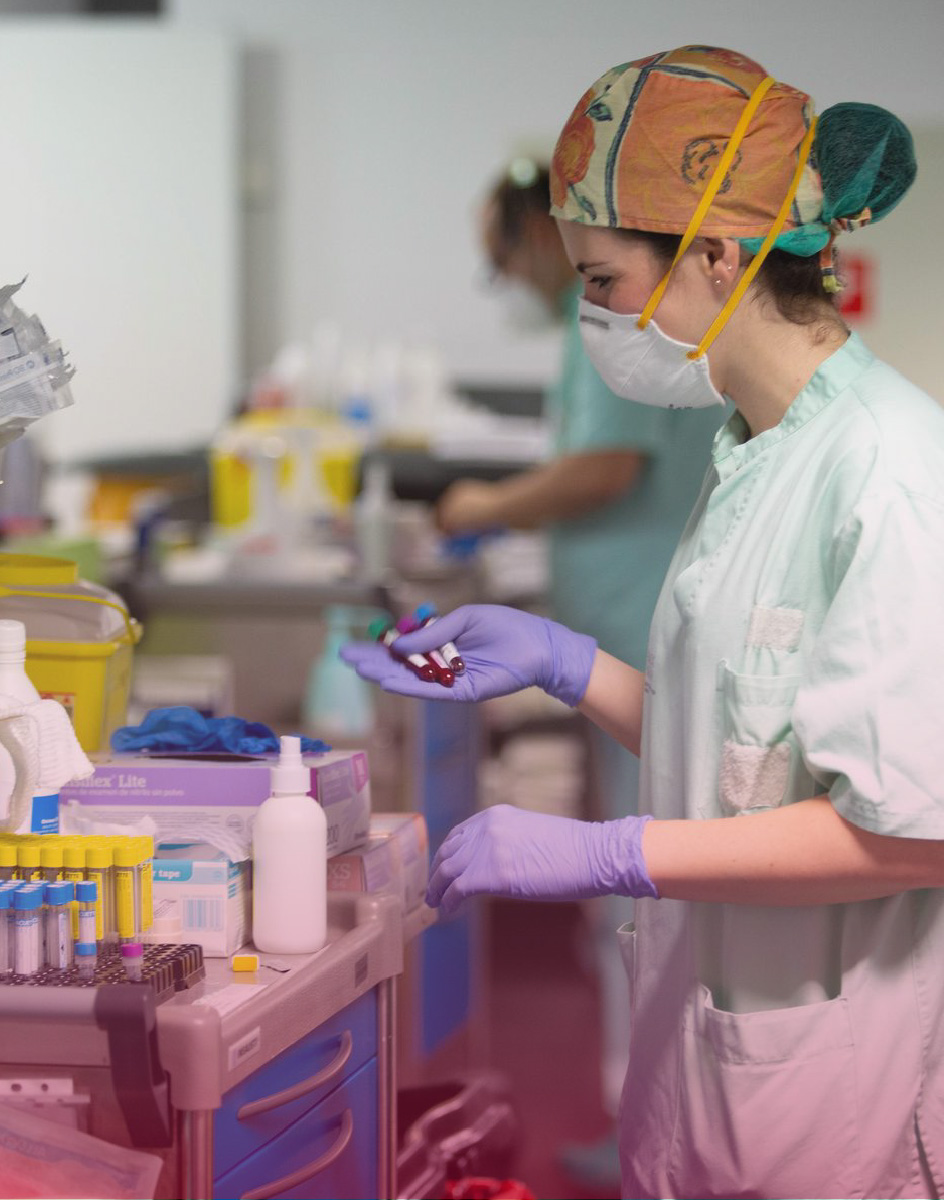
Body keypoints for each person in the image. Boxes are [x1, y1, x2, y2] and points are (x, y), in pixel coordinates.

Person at [343, 45, 942, 1200]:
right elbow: (748, 751)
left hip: (836, 1107)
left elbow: (912, 833)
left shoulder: (890, 472)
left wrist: (609, 853)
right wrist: (568, 667)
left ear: (717, 254)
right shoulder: (757, 445)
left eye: (604, 280)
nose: (593, 315)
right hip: (716, 1068)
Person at [439, 159, 721, 1183]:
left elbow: (609, 466)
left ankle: (654, 1128)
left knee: (646, 893)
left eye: (501, 257)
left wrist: (486, 506)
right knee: (648, 889)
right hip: (631, 626)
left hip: (643, 626)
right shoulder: (608, 319)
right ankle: (654, 1118)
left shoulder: (610, 318)